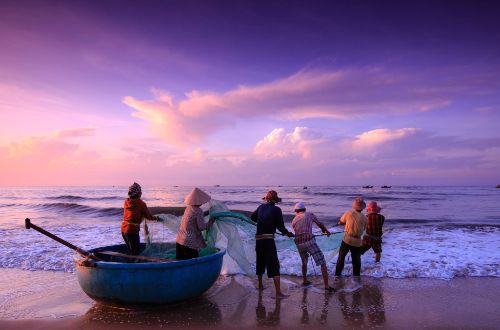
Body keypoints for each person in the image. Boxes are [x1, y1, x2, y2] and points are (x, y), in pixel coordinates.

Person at [251, 190, 294, 298]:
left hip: (258, 240)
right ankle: (278, 293)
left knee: (260, 261)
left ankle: (260, 285)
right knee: (274, 264)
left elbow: (253, 218)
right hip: (268, 240)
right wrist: (288, 233)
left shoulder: (261, 207)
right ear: (276, 200)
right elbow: (280, 227)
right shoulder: (277, 209)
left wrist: (263, 221)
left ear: (266, 199)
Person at [291, 202, 335, 292]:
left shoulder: (294, 220)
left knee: (304, 262)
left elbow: (298, 231)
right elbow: (320, 224)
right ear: (305, 209)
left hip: (298, 243)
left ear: (296, 211)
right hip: (309, 241)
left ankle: (305, 280)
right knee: (322, 262)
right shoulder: (309, 214)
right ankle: (326, 286)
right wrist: (326, 231)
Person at [121, 182, 161, 255]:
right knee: (135, 253)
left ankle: (130, 263)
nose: (141, 193)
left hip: (123, 230)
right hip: (132, 231)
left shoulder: (126, 201)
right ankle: (133, 265)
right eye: (140, 191)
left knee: (131, 251)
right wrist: (157, 218)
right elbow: (149, 217)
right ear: (137, 193)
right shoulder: (141, 204)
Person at [176, 187, 214, 260]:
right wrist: (211, 222)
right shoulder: (198, 211)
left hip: (179, 240)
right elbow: (201, 227)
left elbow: (195, 217)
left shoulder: (188, 208)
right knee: (193, 262)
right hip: (189, 243)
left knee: (180, 263)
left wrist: (208, 212)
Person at [335, 197, 367, 277]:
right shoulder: (365, 218)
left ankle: (337, 275)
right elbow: (364, 230)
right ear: (362, 208)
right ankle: (356, 276)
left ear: (354, 206)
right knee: (356, 260)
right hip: (357, 241)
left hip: (347, 239)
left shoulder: (349, 213)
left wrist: (341, 223)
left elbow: (341, 221)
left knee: (341, 257)